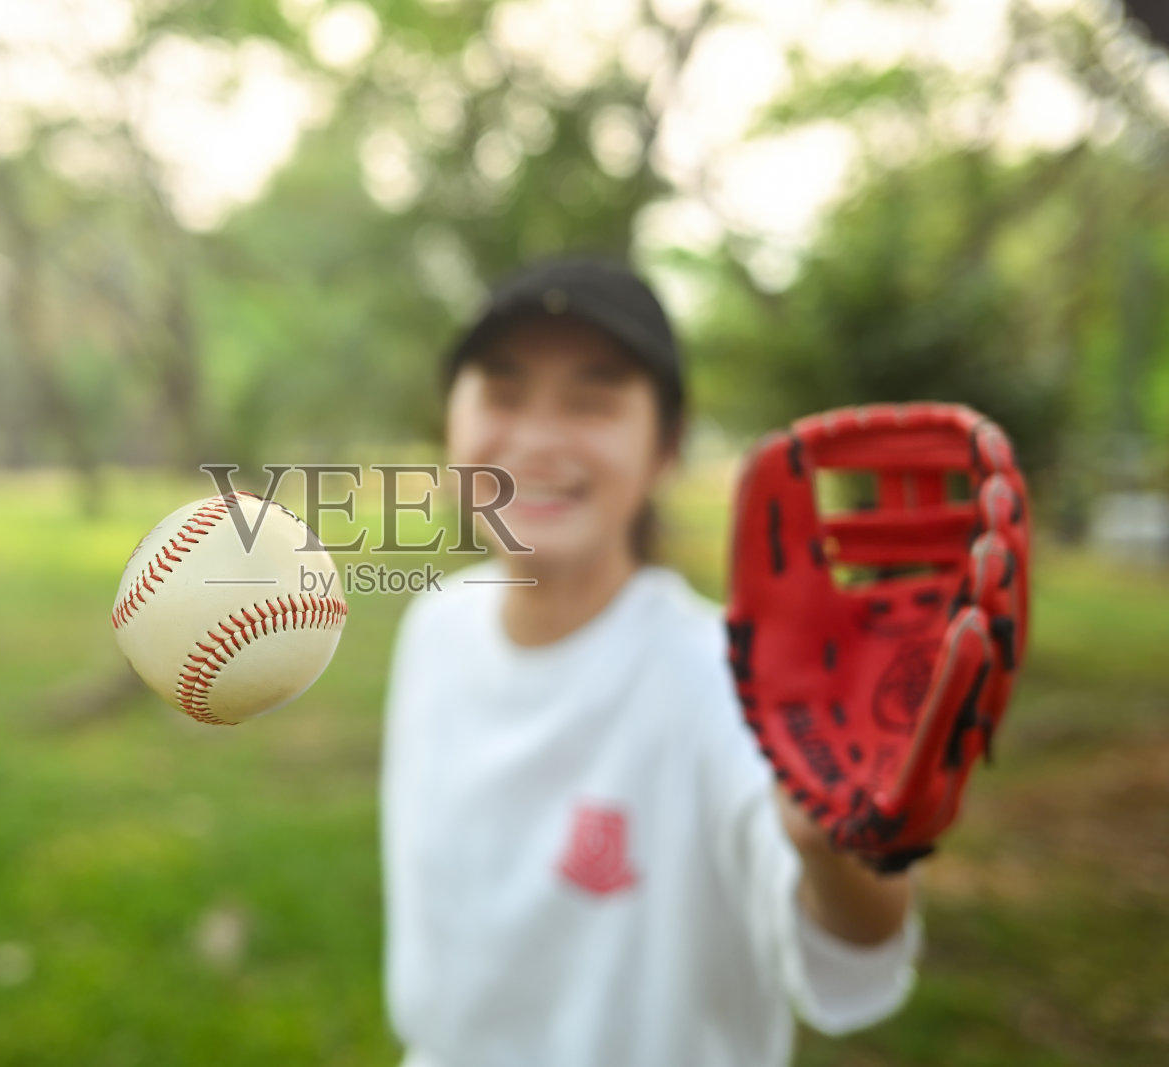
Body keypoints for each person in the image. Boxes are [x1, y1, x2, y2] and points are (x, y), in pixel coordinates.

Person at [380, 257, 920, 1067]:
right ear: (450, 422)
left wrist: (833, 841)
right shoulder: (435, 626)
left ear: (666, 446)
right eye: (502, 392)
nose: (535, 439)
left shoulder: (727, 681)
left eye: (592, 401)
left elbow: (855, 945)